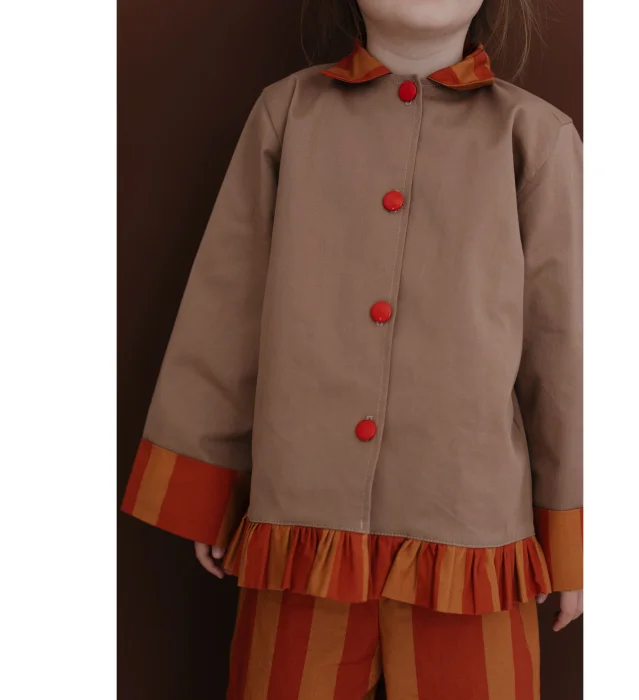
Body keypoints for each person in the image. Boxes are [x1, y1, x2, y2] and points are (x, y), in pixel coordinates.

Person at [121, 0, 583, 697]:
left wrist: (574, 540)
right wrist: (210, 487)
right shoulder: (287, 114)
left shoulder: (537, 137)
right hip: (299, 524)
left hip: (473, 537)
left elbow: (567, 348)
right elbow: (228, 304)